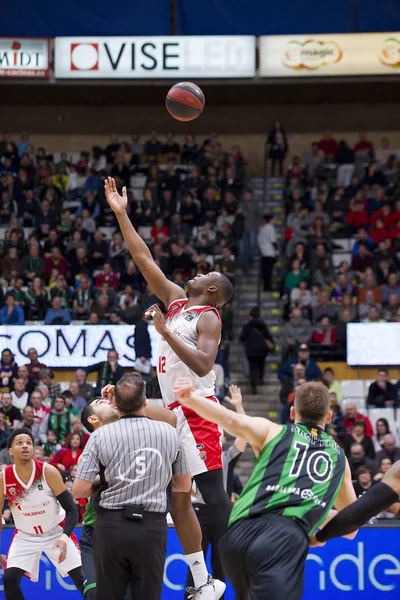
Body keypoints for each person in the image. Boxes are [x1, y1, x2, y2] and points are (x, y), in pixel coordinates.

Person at [105, 176, 233, 599]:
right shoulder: (178, 300)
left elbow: (203, 362)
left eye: (206, 273)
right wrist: (122, 215)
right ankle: (202, 582)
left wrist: (165, 331)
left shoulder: (208, 317)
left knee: (214, 498)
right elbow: (143, 258)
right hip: (175, 410)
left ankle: (248, 568)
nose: (198, 272)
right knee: (179, 497)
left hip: (198, 410)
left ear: (212, 290)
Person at [173, 379, 356, 600]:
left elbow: (229, 419)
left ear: (292, 413)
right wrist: (319, 521)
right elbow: (350, 526)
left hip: (237, 536)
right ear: (329, 417)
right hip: (280, 541)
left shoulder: (272, 431)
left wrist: (189, 399)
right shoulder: (339, 458)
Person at [72, 374, 191, 600]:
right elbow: (81, 489)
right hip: (100, 524)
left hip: (114, 526)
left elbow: (168, 417)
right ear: (94, 420)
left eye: (109, 400)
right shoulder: (98, 440)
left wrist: (125, 401)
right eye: (101, 403)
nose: (106, 401)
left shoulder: (131, 430)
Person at [0, 428, 84, 599]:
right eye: (20, 443)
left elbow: (71, 509)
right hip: (25, 536)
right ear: (10, 451)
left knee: (84, 581)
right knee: (9, 579)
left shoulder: (48, 472)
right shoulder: (4, 477)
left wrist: (64, 537)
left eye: (29, 443)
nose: (25, 446)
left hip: (56, 533)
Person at [185, 385, 247, 599]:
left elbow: (244, 437)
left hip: (219, 513)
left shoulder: (226, 456)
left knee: (221, 566)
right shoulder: (192, 450)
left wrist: (238, 406)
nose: (219, 434)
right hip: (199, 513)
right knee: (196, 567)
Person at [239, 306, 275, 394]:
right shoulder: (263, 325)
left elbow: (242, 337)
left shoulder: (247, 326)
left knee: (252, 368)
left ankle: (253, 386)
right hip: (262, 350)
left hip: (251, 350)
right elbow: (269, 336)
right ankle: (261, 379)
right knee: (261, 364)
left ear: (250, 315)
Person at [258, 215, 277, 292]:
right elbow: (273, 240)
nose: (275, 221)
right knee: (269, 271)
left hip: (263, 252)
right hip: (269, 252)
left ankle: (266, 286)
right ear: (271, 219)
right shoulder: (270, 228)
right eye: (274, 219)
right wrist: (277, 249)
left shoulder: (262, 228)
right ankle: (268, 286)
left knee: (265, 271)